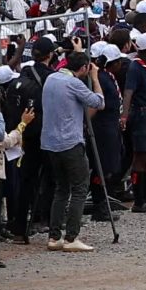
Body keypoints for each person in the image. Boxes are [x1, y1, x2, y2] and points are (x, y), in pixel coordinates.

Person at [39, 50, 103, 252]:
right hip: (70, 141)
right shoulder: (74, 83)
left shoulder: (51, 78)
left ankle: (54, 236)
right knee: (79, 188)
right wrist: (95, 78)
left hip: (50, 142)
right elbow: (99, 102)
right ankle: (71, 237)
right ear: (83, 68)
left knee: (61, 188)